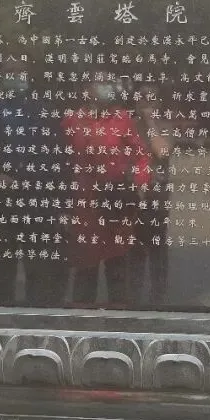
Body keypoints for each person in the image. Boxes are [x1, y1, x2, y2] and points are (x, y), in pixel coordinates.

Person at [0, 56, 70, 307]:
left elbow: (60, 158)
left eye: (19, 71)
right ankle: (0, 316)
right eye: (9, 71)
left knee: (38, 270)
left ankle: (34, 319)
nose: (15, 76)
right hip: (2, 200)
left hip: (38, 200)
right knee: (1, 269)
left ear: (28, 75)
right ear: (0, 76)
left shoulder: (44, 110)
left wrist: (63, 204)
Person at [62, 77, 152, 307]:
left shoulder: (121, 119)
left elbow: (141, 156)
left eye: (108, 83)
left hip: (116, 203)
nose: (106, 88)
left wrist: (139, 184)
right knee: (85, 271)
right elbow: (58, 160)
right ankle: (82, 322)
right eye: (100, 83)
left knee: (118, 269)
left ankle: (119, 322)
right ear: (87, 89)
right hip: (84, 206)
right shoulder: (72, 120)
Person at [129, 83, 173, 305]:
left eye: (152, 99)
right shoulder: (128, 126)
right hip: (131, 197)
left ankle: (158, 299)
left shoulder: (164, 126)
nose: (147, 103)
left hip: (156, 197)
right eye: (143, 99)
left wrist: (150, 123)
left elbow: (162, 151)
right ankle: (133, 299)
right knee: (133, 252)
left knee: (157, 250)